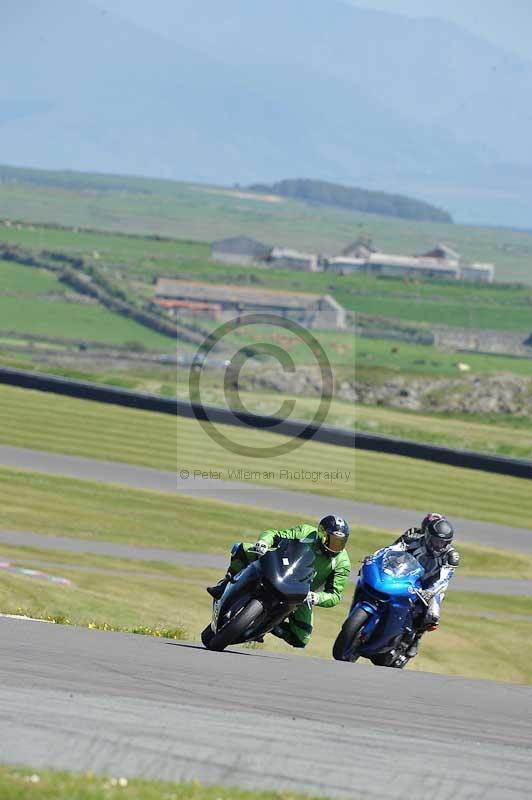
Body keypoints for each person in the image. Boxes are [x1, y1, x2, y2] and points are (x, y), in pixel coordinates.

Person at [206, 515, 351, 649]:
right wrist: (263, 543)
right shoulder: (306, 532)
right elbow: (275, 535)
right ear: (321, 533)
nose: (335, 546)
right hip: (279, 569)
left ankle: (268, 626)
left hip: (301, 592)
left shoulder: (342, 562)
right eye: (331, 540)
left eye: (340, 542)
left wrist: (317, 597)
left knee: (301, 639)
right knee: (242, 548)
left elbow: (335, 595)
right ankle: (224, 583)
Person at [391, 512, 459, 659]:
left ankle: (416, 638)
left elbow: (445, 578)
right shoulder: (414, 539)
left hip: (432, 587)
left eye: (442, 543)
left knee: (433, 615)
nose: (438, 545)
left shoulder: (451, 556)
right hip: (408, 577)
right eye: (435, 541)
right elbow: (393, 550)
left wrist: (431, 592)